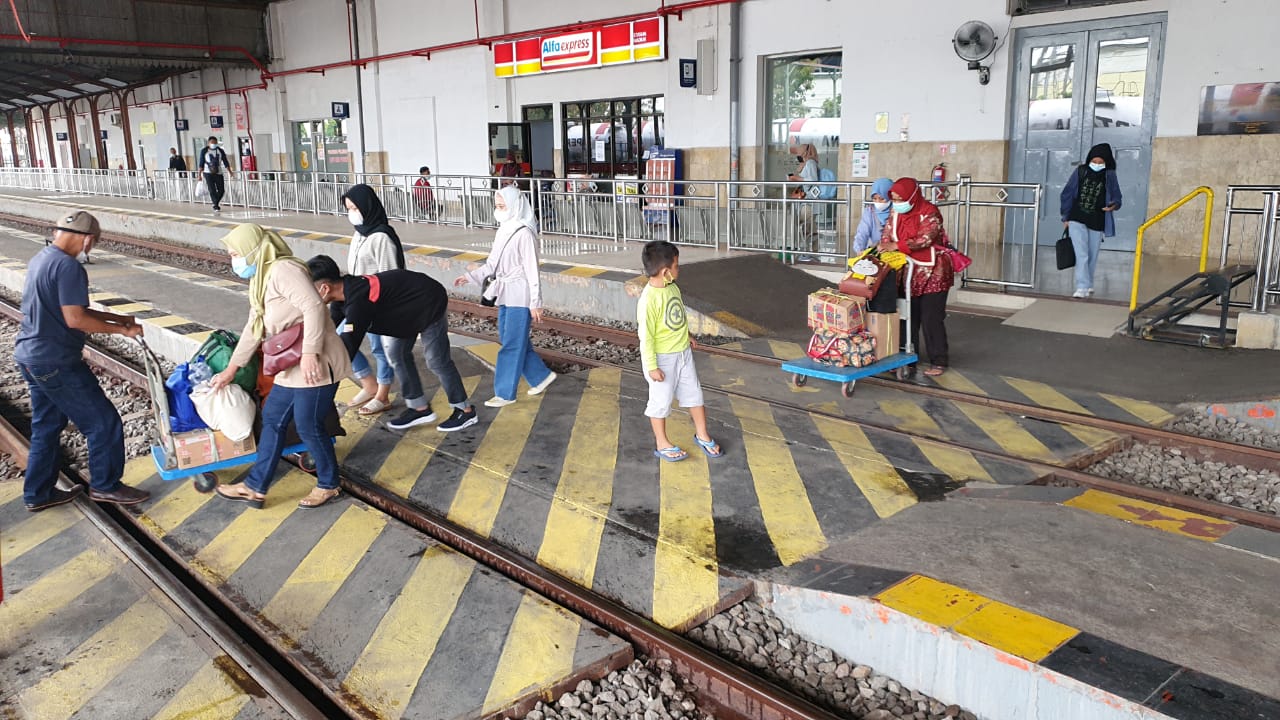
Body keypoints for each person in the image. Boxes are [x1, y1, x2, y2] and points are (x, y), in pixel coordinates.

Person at [208, 224, 351, 510]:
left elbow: (313, 307)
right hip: (291, 363)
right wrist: (232, 368)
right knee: (272, 418)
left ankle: (329, 484)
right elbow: (254, 327)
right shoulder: (261, 277)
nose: (233, 260)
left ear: (253, 250)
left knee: (309, 426)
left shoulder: (284, 270)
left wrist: (310, 353)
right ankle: (254, 487)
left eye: (235, 253)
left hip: (316, 362)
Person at [15, 211, 150, 511]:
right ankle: (105, 485)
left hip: (30, 357)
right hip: (55, 361)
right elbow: (75, 319)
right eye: (94, 242)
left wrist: (117, 319)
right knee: (103, 422)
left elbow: (72, 311)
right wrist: (120, 329)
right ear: (88, 239)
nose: (92, 248)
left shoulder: (42, 258)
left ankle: (38, 493)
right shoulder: (69, 267)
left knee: (47, 424)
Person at [308, 255, 477, 432]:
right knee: (397, 355)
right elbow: (329, 330)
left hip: (428, 302)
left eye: (310, 289)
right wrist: (308, 352)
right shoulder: (341, 299)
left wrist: (321, 377)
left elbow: (348, 346)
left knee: (436, 361)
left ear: (325, 288)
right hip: (404, 312)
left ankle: (464, 410)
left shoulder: (358, 302)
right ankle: (419, 409)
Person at [453, 185, 556, 407]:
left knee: (510, 344)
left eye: (502, 206)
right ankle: (541, 376)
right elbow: (492, 264)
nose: (498, 210)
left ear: (515, 205)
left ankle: (505, 393)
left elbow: (532, 271)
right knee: (514, 340)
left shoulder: (525, 234)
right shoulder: (504, 229)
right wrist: (470, 277)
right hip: (506, 293)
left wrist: (535, 303)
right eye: (497, 206)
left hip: (521, 295)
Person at [637, 240, 721, 462]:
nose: (678, 269)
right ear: (665, 272)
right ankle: (662, 442)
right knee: (660, 402)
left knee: (694, 394)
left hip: (683, 353)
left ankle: (702, 434)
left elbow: (676, 319)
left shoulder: (672, 288)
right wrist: (652, 367)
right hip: (662, 360)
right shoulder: (648, 300)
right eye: (676, 266)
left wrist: (686, 336)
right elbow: (646, 337)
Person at [338, 184, 405, 416]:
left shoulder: (382, 237)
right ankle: (369, 384)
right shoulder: (359, 233)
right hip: (357, 301)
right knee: (340, 339)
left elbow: (391, 275)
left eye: (355, 207)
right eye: (348, 208)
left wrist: (382, 306)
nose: (352, 213)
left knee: (380, 349)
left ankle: (383, 395)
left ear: (367, 206)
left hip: (377, 302)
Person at [880, 177, 954, 377]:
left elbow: (926, 238)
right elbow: (887, 234)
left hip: (934, 272)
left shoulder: (930, 212)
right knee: (907, 317)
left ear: (912, 196)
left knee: (931, 318)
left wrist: (897, 246)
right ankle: (908, 358)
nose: (896, 202)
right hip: (908, 273)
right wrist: (884, 246)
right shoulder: (896, 213)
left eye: (899, 198)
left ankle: (939, 360)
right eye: (894, 198)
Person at [1060, 143, 1122, 298]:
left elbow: (1117, 197)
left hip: (1097, 219)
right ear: (1089, 160)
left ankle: (1088, 284)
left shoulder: (1110, 175)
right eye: (1094, 161)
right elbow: (1067, 193)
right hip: (1076, 218)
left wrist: (1113, 205)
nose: (1097, 165)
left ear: (1107, 162)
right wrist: (1065, 217)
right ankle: (1081, 286)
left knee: (1092, 254)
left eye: (1101, 162)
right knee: (1082, 254)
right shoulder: (1080, 171)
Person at [853, 178, 894, 255]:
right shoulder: (870, 211)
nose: (878, 202)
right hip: (875, 250)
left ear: (890, 197)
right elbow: (862, 233)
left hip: (894, 253)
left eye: (882, 199)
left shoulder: (897, 211)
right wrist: (859, 249)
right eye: (874, 199)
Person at [197, 136, 233, 212]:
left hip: (218, 172)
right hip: (207, 173)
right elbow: (201, 163)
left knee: (221, 190)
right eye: (212, 142)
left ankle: (215, 202)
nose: (214, 144)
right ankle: (216, 205)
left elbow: (225, 161)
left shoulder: (220, 150)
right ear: (208, 143)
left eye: (215, 142)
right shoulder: (204, 151)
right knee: (212, 190)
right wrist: (199, 175)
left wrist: (230, 171)